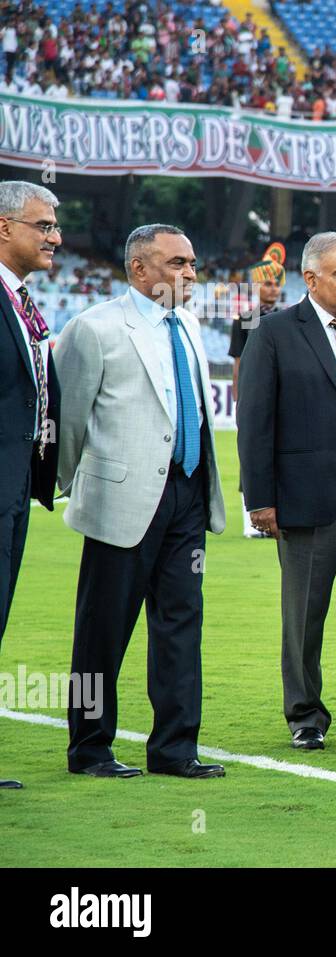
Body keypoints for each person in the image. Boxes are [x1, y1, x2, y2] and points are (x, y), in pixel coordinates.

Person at [59, 224, 226, 779]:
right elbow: (69, 421)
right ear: (139, 269)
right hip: (122, 500)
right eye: (177, 262)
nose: (190, 273)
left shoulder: (192, 326)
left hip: (188, 494)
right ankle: (90, 749)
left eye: (193, 263)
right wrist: (64, 486)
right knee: (101, 632)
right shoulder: (95, 327)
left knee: (182, 624)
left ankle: (176, 749)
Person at [237, 232, 336, 752]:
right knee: (304, 612)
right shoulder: (275, 332)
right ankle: (305, 715)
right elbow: (254, 421)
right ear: (310, 278)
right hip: (305, 493)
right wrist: (259, 498)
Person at [0, 181, 62, 791]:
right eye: (42, 226)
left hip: (16, 490)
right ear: (4, 228)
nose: (55, 237)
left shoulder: (22, 300)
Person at [229, 241, 285, 539]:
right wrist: (240, 401)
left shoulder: (288, 317)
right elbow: (238, 363)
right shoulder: (245, 319)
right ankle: (251, 521)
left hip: (281, 398)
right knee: (251, 456)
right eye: (268, 284)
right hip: (255, 397)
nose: (273, 289)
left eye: (277, 284)